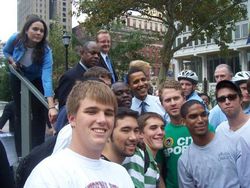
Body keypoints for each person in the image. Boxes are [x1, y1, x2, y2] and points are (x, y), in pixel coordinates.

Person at [24, 80, 134, 187]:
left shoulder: (121, 174)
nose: (102, 120)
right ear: (72, 119)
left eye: (108, 113)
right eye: (92, 112)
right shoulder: (48, 173)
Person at [3, 16, 57, 156]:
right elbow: (6, 52)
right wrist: (12, 60)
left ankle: (37, 151)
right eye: (35, 29)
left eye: (42, 31)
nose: (39, 33)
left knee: (39, 113)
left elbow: (46, 78)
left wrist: (50, 105)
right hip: (17, 77)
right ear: (26, 30)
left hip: (36, 79)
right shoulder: (15, 39)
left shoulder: (46, 51)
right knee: (18, 112)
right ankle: (20, 152)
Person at [178, 100, 249, 188]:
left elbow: (247, 181)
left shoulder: (234, 142)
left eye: (203, 115)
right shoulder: (185, 161)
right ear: (183, 122)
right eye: (193, 117)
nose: (200, 120)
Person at [156, 79, 214, 188]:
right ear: (162, 104)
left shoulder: (204, 127)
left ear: (184, 98)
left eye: (176, 98)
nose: (173, 103)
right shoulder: (160, 134)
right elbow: (158, 171)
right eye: (168, 100)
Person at [54, 41, 100, 110]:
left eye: (98, 54)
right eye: (92, 53)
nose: (96, 56)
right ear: (82, 53)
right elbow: (64, 107)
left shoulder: (97, 76)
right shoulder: (69, 77)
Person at [209, 64, 233, 129]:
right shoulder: (215, 112)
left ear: (231, 76)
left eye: (222, 76)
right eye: (216, 77)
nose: (219, 79)